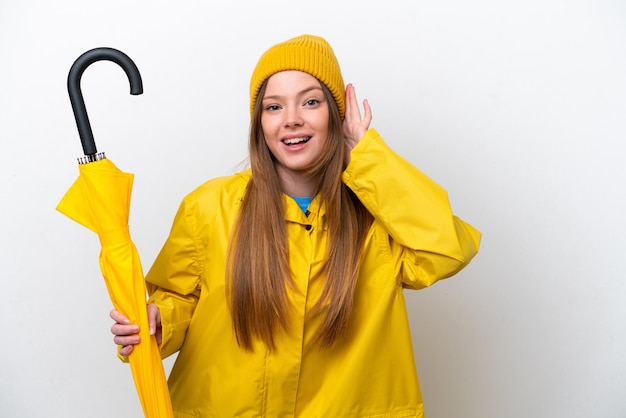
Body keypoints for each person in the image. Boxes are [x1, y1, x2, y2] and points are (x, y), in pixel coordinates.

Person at [111, 34, 481, 417]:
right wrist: (157, 322)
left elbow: (447, 248)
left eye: (310, 101)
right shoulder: (209, 207)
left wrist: (368, 156)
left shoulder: (378, 217)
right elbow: (178, 299)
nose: (291, 119)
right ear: (260, 123)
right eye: (274, 106)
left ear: (336, 115)